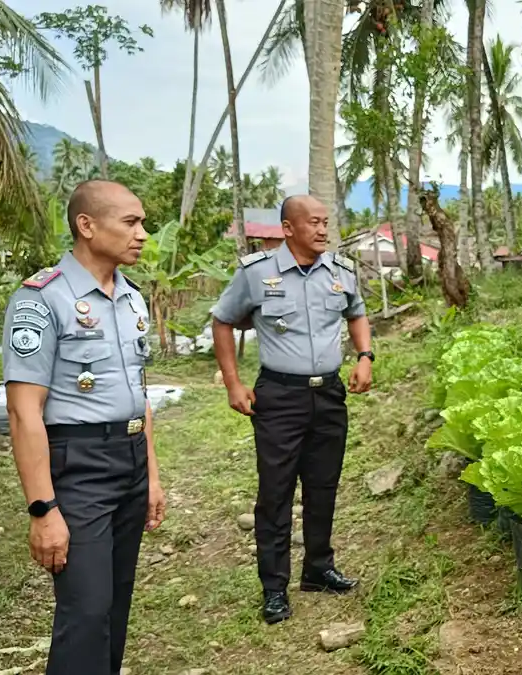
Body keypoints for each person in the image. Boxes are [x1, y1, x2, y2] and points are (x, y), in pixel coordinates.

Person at [3, 180, 166, 675]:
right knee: (87, 610)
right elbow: (23, 411)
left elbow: (140, 395)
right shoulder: (42, 300)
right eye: (131, 222)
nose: (142, 234)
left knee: (115, 606)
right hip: (80, 468)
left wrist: (152, 477)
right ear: (87, 225)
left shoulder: (131, 299)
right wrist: (43, 509)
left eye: (142, 223)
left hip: (131, 458)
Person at [210, 194, 373, 625]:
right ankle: (274, 588)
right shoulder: (256, 273)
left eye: (325, 222)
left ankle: (318, 568)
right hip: (280, 397)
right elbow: (222, 320)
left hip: (330, 395)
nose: (323, 230)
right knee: (276, 492)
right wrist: (232, 382)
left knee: (324, 485)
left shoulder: (341, 272)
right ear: (288, 229)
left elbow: (356, 313)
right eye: (314, 222)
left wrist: (365, 356)